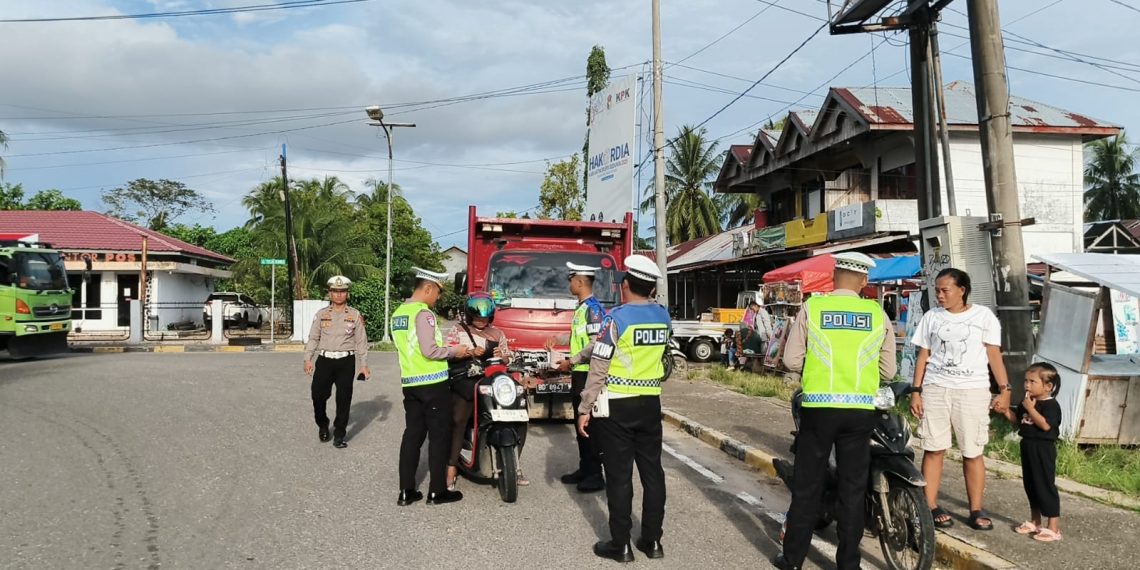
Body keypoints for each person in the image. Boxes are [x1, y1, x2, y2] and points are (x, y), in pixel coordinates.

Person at [773, 252, 897, 570]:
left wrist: (815, 371)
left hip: (818, 409)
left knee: (807, 486)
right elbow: (889, 370)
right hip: (859, 412)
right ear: (864, 281)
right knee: (853, 488)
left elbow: (790, 360)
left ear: (833, 276)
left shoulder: (813, 308)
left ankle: (792, 559)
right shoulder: (876, 313)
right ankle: (849, 564)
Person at [575, 254, 670, 563]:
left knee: (618, 476)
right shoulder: (662, 317)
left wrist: (584, 407)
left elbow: (600, 366)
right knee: (652, 472)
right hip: (650, 403)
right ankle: (653, 541)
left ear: (626, 285)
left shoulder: (616, 318)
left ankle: (621, 544)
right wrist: (576, 357)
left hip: (616, 405)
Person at [909, 268, 1011, 531]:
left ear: (962, 290)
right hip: (935, 388)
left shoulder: (983, 316)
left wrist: (1004, 388)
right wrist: (916, 391)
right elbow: (923, 355)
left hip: (972, 390)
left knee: (973, 450)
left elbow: (993, 354)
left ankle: (975, 509)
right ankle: (929, 505)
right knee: (934, 448)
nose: (940, 296)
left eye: (945, 290)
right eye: (937, 291)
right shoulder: (931, 317)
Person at [391, 267, 469, 506]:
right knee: (439, 437)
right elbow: (430, 350)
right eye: (437, 292)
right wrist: (457, 351)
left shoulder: (398, 313)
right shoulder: (423, 314)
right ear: (427, 288)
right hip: (433, 383)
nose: (438, 298)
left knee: (412, 435)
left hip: (410, 383)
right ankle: (437, 492)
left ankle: (406, 491)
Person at [445, 292, 527, 490]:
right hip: (466, 380)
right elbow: (447, 352)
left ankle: (514, 464)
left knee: (519, 413)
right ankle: (451, 467)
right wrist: (468, 352)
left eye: (484, 317)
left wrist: (503, 356)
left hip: (493, 381)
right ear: (469, 315)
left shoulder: (497, 334)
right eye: (477, 317)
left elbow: (509, 357)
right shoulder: (458, 330)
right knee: (459, 419)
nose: (480, 321)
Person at [550, 262, 608, 493]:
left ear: (580, 282)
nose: (569, 283)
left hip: (588, 375)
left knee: (589, 427)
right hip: (580, 374)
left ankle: (595, 474)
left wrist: (571, 361)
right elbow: (580, 337)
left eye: (571, 279)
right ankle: (585, 468)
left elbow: (596, 343)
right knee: (580, 426)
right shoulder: (582, 308)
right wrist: (558, 339)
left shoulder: (593, 309)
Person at [303, 275, 371, 449]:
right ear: (329, 293)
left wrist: (363, 365)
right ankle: (323, 424)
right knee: (317, 396)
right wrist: (308, 359)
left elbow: (361, 341)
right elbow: (313, 338)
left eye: (342, 292)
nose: (339, 295)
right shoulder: (322, 315)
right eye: (335, 291)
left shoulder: (355, 315)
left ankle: (339, 434)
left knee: (344, 399)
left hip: (346, 361)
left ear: (347, 294)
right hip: (325, 360)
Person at [1001, 362, 1063, 542]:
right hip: (1027, 445)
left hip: (1043, 448)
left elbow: (1045, 425)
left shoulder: (1051, 406)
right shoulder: (1026, 402)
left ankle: (1053, 527)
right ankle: (1035, 521)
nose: (1027, 385)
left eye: (1032, 381)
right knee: (1031, 484)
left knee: (1045, 485)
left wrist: (1030, 408)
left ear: (1048, 386)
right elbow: (1018, 421)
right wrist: (1005, 411)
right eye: (1025, 381)